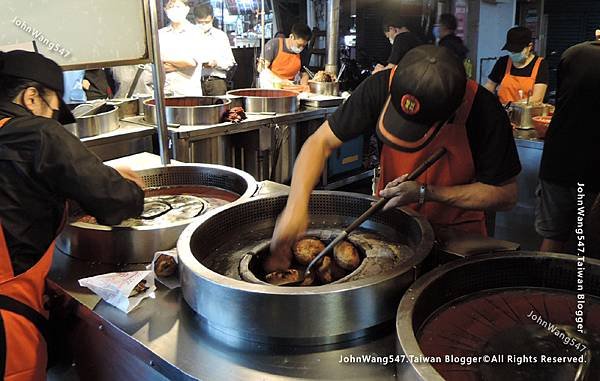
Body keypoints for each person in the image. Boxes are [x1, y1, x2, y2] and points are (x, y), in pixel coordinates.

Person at [265, 46, 520, 272]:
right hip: (391, 227)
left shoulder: (484, 112)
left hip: (457, 237)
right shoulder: (380, 85)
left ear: (454, 109)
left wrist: (426, 192)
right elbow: (319, 143)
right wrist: (296, 207)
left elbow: (506, 195)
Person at [0, 50, 145, 378]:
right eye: (53, 109)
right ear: (32, 97)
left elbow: (21, 193)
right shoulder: (37, 133)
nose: (52, 119)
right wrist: (123, 185)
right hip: (7, 318)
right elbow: (116, 201)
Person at [536, 38, 600, 254]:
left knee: (553, 237)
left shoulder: (573, 53)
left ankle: (541, 285)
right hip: (591, 169)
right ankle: (579, 286)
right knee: (586, 243)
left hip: (557, 162)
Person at [143, 0, 205, 96]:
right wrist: (178, 64)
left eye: (178, 6)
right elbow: (157, 66)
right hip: (165, 91)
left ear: (187, 9)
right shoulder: (160, 34)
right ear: (165, 10)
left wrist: (164, 60)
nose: (174, 10)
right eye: (170, 7)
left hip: (188, 92)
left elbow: (190, 62)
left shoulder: (195, 32)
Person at [484, 26, 549, 104]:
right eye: (511, 50)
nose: (513, 54)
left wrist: (513, 106)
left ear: (530, 47)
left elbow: (537, 98)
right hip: (502, 113)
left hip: (528, 114)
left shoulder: (540, 65)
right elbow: (490, 86)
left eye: (517, 51)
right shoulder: (503, 62)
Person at [194, 3, 236, 96]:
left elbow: (230, 62)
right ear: (195, 20)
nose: (204, 24)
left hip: (216, 82)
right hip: (194, 82)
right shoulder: (189, 36)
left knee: (219, 109)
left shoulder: (220, 36)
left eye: (207, 22)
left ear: (212, 19)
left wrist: (216, 63)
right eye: (200, 22)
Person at [257, 23, 311, 88]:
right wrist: (279, 81)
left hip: (291, 86)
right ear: (291, 37)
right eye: (299, 45)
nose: (301, 48)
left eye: (303, 46)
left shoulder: (303, 52)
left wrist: (304, 85)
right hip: (272, 85)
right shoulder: (274, 45)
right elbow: (261, 68)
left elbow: (304, 73)